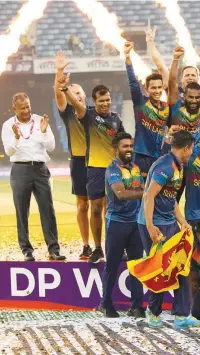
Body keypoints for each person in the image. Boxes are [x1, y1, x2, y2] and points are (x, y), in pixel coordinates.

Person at [138, 130, 200, 329]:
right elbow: (149, 196)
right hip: (153, 223)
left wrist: (182, 221)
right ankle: (153, 311)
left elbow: (170, 198)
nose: (191, 152)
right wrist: (151, 226)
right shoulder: (165, 166)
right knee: (161, 268)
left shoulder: (178, 166)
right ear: (187, 147)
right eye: (192, 149)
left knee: (181, 267)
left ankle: (181, 315)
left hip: (168, 221)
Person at [62, 78, 125, 264]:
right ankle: (97, 249)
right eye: (101, 101)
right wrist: (65, 88)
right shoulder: (87, 115)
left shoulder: (116, 119)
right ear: (94, 101)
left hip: (114, 170)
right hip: (95, 168)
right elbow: (74, 103)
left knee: (112, 211)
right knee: (96, 209)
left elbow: (123, 143)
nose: (105, 103)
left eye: (107, 100)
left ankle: (114, 247)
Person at [1, 93, 65, 261]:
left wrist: (44, 133)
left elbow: (51, 146)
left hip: (40, 169)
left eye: (28, 106)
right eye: (22, 108)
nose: (26, 110)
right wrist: (16, 138)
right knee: (22, 211)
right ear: (14, 108)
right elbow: (8, 151)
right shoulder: (8, 125)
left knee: (47, 209)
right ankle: (26, 250)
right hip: (20, 169)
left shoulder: (39, 120)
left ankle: (54, 249)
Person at [100, 132, 145, 318]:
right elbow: (121, 194)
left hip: (135, 223)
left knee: (136, 265)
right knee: (112, 265)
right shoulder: (112, 170)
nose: (129, 149)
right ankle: (105, 303)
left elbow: (139, 189)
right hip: (116, 223)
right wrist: (146, 191)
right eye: (125, 146)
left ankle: (137, 306)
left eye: (130, 146)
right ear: (116, 148)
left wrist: (143, 190)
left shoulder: (135, 168)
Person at [53, 50, 91, 259]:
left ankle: (101, 244)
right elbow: (59, 95)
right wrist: (59, 72)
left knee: (101, 205)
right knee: (82, 205)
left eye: (79, 93)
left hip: (98, 162)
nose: (76, 95)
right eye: (73, 93)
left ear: (84, 96)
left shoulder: (94, 113)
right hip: (78, 162)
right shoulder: (67, 113)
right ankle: (86, 245)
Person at [124, 36, 169, 178]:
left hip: (159, 156)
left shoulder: (167, 108)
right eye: (153, 88)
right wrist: (128, 59)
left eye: (159, 87)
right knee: (139, 193)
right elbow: (132, 83)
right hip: (140, 156)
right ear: (146, 88)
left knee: (157, 195)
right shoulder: (141, 103)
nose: (156, 91)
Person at [166, 46, 200, 159]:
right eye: (190, 97)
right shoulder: (176, 106)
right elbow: (171, 81)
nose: (194, 100)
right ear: (184, 96)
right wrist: (175, 58)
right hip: (178, 162)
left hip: (199, 164)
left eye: (197, 98)